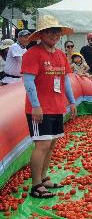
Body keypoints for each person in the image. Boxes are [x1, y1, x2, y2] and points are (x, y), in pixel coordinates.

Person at [21, 16, 77, 199]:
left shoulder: (61, 55)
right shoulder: (32, 53)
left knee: (51, 144)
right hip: (39, 109)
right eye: (50, 31)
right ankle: (36, 185)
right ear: (41, 34)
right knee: (42, 144)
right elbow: (28, 81)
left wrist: (72, 101)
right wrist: (36, 106)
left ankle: (44, 178)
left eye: (57, 31)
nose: (55, 35)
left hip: (57, 106)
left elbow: (65, 80)